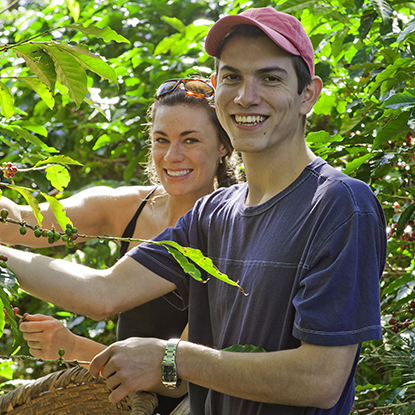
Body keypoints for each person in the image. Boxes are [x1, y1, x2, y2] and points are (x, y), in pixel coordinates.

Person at [0, 7, 387, 415]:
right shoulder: (212, 215)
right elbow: (104, 292)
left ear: (308, 94)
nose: (246, 96)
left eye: (270, 78)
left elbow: (321, 380)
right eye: (232, 77)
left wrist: (172, 358)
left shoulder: (340, 205)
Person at [0, 78, 237, 414]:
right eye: (161, 140)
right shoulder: (128, 207)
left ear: (223, 146)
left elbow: (179, 378)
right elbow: (20, 223)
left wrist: (71, 346)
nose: (172, 155)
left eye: (191, 140)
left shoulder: (230, 232)